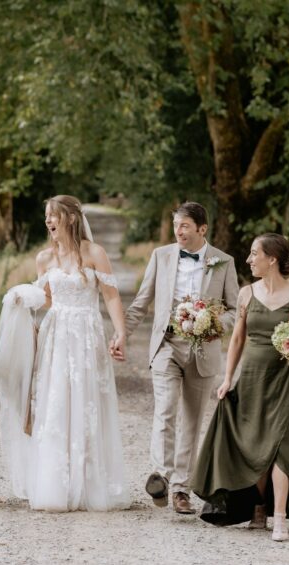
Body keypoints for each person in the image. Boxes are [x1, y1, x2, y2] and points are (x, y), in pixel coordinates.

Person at [3, 195, 130, 512]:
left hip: (87, 335)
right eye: (46, 216)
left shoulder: (94, 253)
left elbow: (111, 297)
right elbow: (45, 300)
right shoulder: (44, 258)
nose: (48, 221)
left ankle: (87, 482)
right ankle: (56, 483)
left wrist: (121, 332)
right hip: (56, 336)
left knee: (86, 403)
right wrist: (22, 299)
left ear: (71, 218)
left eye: (53, 215)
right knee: (56, 403)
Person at [192, 234, 289, 539]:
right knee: (256, 443)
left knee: (282, 446)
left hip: (285, 378)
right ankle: (258, 508)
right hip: (250, 376)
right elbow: (237, 339)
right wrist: (226, 379)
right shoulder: (247, 293)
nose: (249, 260)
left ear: (271, 259)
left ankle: (280, 518)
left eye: (254, 254)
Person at [121, 201, 239, 514]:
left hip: (203, 348)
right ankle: (160, 475)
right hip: (167, 344)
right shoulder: (161, 256)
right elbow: (142, 301)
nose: (178, 231)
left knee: (192, 421)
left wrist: (212, 324)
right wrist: (122, 334)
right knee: (165, 408)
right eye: (176, 225)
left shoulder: (223, 262)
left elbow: (234, 311)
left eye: (185, 226)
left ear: (202, 229)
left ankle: (181, 490)